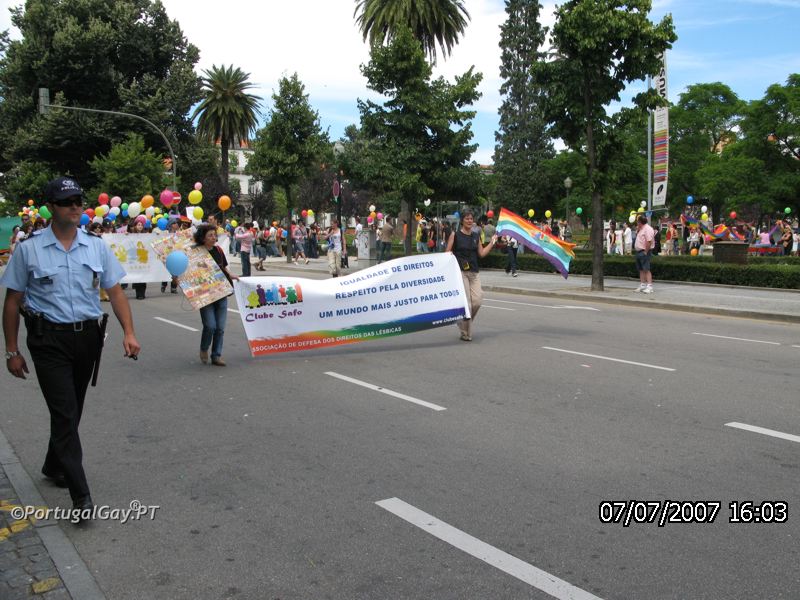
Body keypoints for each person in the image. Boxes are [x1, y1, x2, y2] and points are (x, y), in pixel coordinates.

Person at [1, 176, 141, 514]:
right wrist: (12, 351)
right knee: (64, 412)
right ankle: (81, 496)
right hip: (48, 340)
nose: (75, 206)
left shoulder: (96, 246)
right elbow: (12, 302)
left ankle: (53, 463)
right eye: (67, 202)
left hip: (87, 338)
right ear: (51, 207)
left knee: (72, 408)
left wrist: (129, 332)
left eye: (78, 200)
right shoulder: (29, 249)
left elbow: (115, 291)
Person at [446, 209, 498, 341]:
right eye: (467, 218)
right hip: (461, 273)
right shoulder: (455, 235)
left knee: (477, 301)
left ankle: (463, 323)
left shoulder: (476, 236)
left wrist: (492, 242)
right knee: (468, 305)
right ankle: (466, 333)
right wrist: (450, 256)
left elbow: (481, 253)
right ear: (462, 220)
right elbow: (447, 253)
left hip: (474, 272)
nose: (470, 221)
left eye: (471, 218)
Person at [193, 224, 238, 366]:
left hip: (221, 292)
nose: (213, 238)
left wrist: (230, 275)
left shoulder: (218, 250)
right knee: (210, 326)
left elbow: (223, 267)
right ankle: (204, 348)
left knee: (220, 328)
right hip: (205, 295)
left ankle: (216, 355)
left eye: (214, 235)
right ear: (203, 238)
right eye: (210, 235)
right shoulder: (196, 253)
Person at [634, 214, 655, 293]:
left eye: (637, 222)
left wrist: (646, 251)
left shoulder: (647, 229)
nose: (637, 223)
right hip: (639, 251)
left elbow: (649, 241)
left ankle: (649, 286)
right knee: (641, 269)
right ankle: (642, 285)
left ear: (640, 222)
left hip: (644, 251)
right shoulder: (641, 229)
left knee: (646, 269)